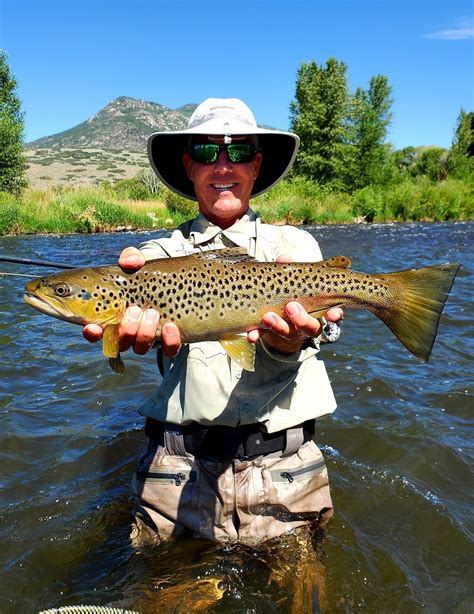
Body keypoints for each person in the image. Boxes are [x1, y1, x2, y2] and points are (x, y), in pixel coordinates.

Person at [83, 98, 343, 547]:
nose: (223, 165)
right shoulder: (152, 260)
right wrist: (116, 340)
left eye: (238, 151)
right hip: (177, 474)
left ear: (257, 165)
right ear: (188, 165)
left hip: (288, 471)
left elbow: (330, 328)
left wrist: (291, 342)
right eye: (207, 152)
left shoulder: (295, 247)